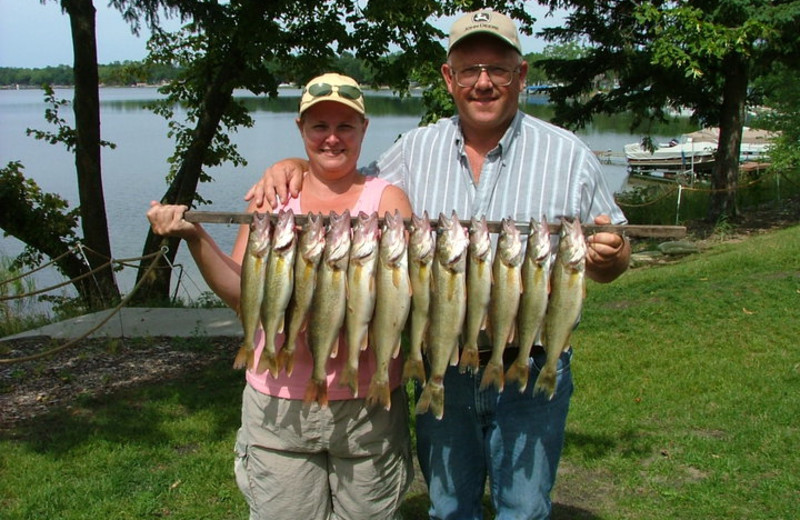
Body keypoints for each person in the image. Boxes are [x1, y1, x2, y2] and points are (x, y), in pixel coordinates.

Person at [247, 10, 631, 520]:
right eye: (470, 69)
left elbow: (613, 254)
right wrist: (292, 165)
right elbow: (345, 181)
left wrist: (612, 254)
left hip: (532, 360)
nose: (484, 82)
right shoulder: (414, 149)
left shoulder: (570, 155)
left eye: (498, 68)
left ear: (522, 75)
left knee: (525, 507)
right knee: (448, 509)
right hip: (440, 364)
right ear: (449, 78)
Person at [147, 73, 414, 520]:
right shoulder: (272, 200)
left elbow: (400, 297)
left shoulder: (388, 201)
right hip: (278, 406)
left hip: (368, 404)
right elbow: (240, 291)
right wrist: (196, 238)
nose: (332, 138)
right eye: (319, 126)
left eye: (345, 126)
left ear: (364, 129)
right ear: (301, 130)